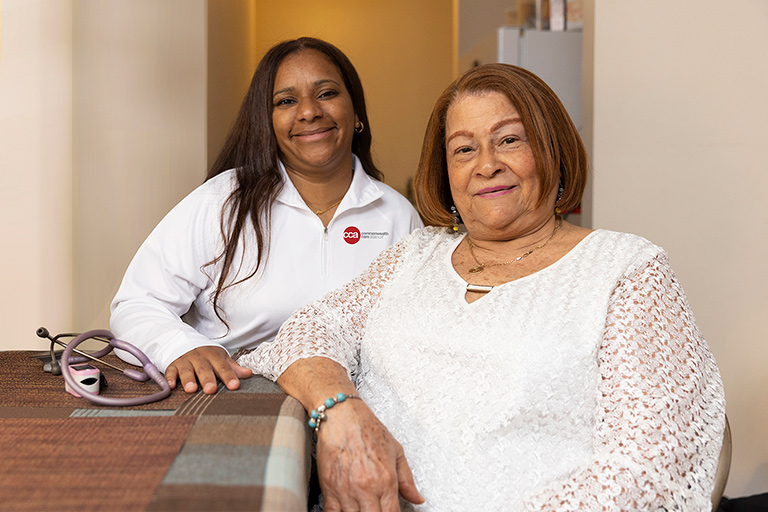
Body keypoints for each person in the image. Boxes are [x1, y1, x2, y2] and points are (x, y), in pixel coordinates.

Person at [239, 63, 726, 511]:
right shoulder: (413, 255)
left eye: (510, 140)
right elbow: (311, 328)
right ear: (446, 172)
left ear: (552, 149)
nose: (486, 164)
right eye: (464, 149)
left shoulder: (627, 269)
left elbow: (646, 471)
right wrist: (341, 411)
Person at [110, 37, 422, 396]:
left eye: (327, 93)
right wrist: (179, 346)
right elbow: (137, 303)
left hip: (357, 400)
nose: (309, 112)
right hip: (235, 395)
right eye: (286, 101)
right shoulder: (223, 200)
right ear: (267, 121)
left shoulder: (397, 215)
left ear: (356, 112)